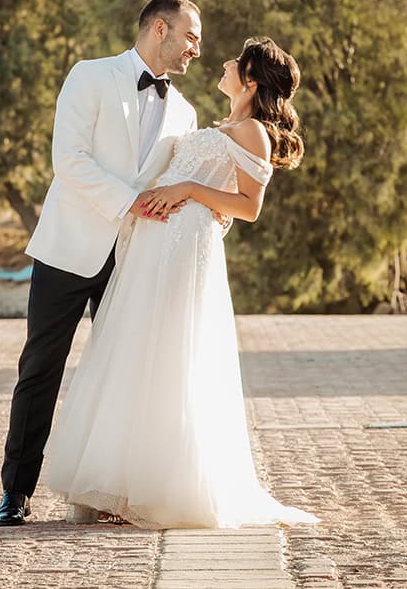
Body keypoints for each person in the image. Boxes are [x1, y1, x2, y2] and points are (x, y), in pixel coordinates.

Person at [43, 37, 320, 529]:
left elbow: (249, 207)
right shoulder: (219, 123)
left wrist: (190, 190)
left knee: (170, 357)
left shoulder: (254, 131)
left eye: (237, 62)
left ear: (252, 80)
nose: (225, 63)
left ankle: (162, 488)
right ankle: (120, 483)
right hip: (154, 246)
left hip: (185, 251)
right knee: (137, 355)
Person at [0, 0, 202, 526]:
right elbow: (69, 160)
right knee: (40, 368)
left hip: (136, 261)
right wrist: (128, 200)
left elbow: (176, 185)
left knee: (130, 375)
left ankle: (114, 492)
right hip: (68, 249)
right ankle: (15, 493)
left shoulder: (185, 111)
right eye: (191, 36)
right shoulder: (89, 76)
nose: (196, 49)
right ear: (160, 29)